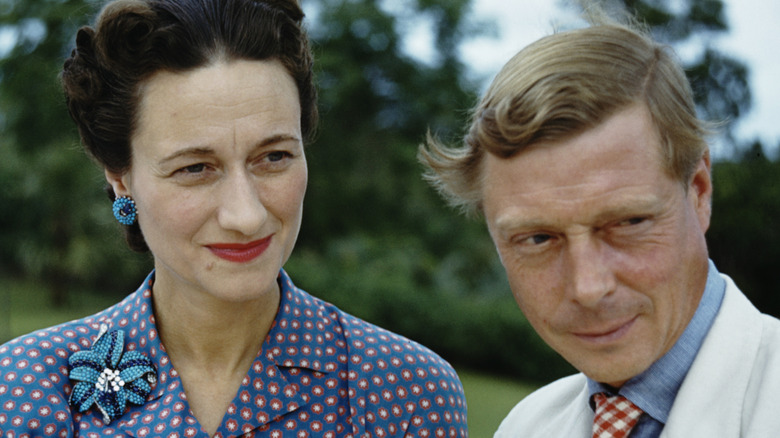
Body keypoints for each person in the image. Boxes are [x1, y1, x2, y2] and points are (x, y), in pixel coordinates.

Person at [0, 1, 468, 437]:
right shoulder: (22, 393)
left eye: (274, 157)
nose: (245, 215)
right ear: (122, 179)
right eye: (195, 168)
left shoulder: (406, 394)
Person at [419, 12, 780, 438]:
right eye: (538, 238)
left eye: (628, 222)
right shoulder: (526, 426)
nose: (588, 288)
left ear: (699, 190)